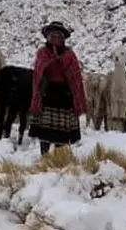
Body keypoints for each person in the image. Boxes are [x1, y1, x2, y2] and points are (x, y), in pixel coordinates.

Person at [28, 21, 87, 154]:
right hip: (47, 95)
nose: (55, 40)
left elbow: (76, 78)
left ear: (63, 39)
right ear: (47, 38)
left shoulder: (69, 56)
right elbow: (38, 74)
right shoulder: (42, 54)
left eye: (58, 37)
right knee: (45, 132)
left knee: (61, 133)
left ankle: (58, 159)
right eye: (52, 37)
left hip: (64, 96)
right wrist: (53, 61)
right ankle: (44, 157)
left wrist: (61, 61)